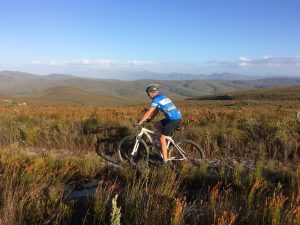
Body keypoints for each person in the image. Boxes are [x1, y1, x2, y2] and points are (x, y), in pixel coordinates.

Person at [138, 84, 182, 163]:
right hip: (173, 118)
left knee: (162, 138)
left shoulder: (156, 100)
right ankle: (163, 145)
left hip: (173, 120)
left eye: (148, 93)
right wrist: (150, 119)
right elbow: (156, 110)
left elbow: (149, 112)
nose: (148, 95)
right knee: (157, 125)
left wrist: (140, 122)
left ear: (153, 92)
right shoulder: (161, 97)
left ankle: (165, 161)